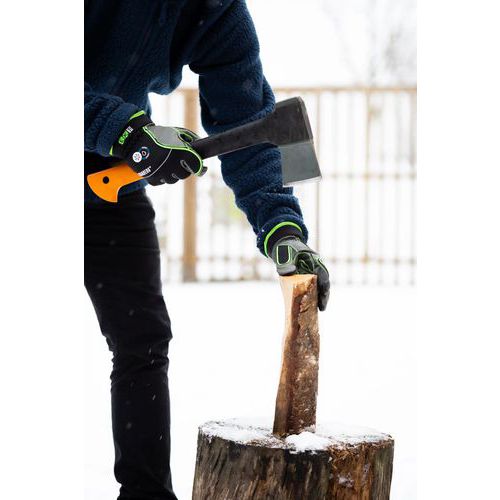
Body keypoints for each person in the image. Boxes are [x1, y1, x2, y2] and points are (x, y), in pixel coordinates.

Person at [84, 1, 330, 498]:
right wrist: (126, 130)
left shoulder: (216, 10)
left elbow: (249, 125)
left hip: (108, 186)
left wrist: (283, 228)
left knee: (143, 340)